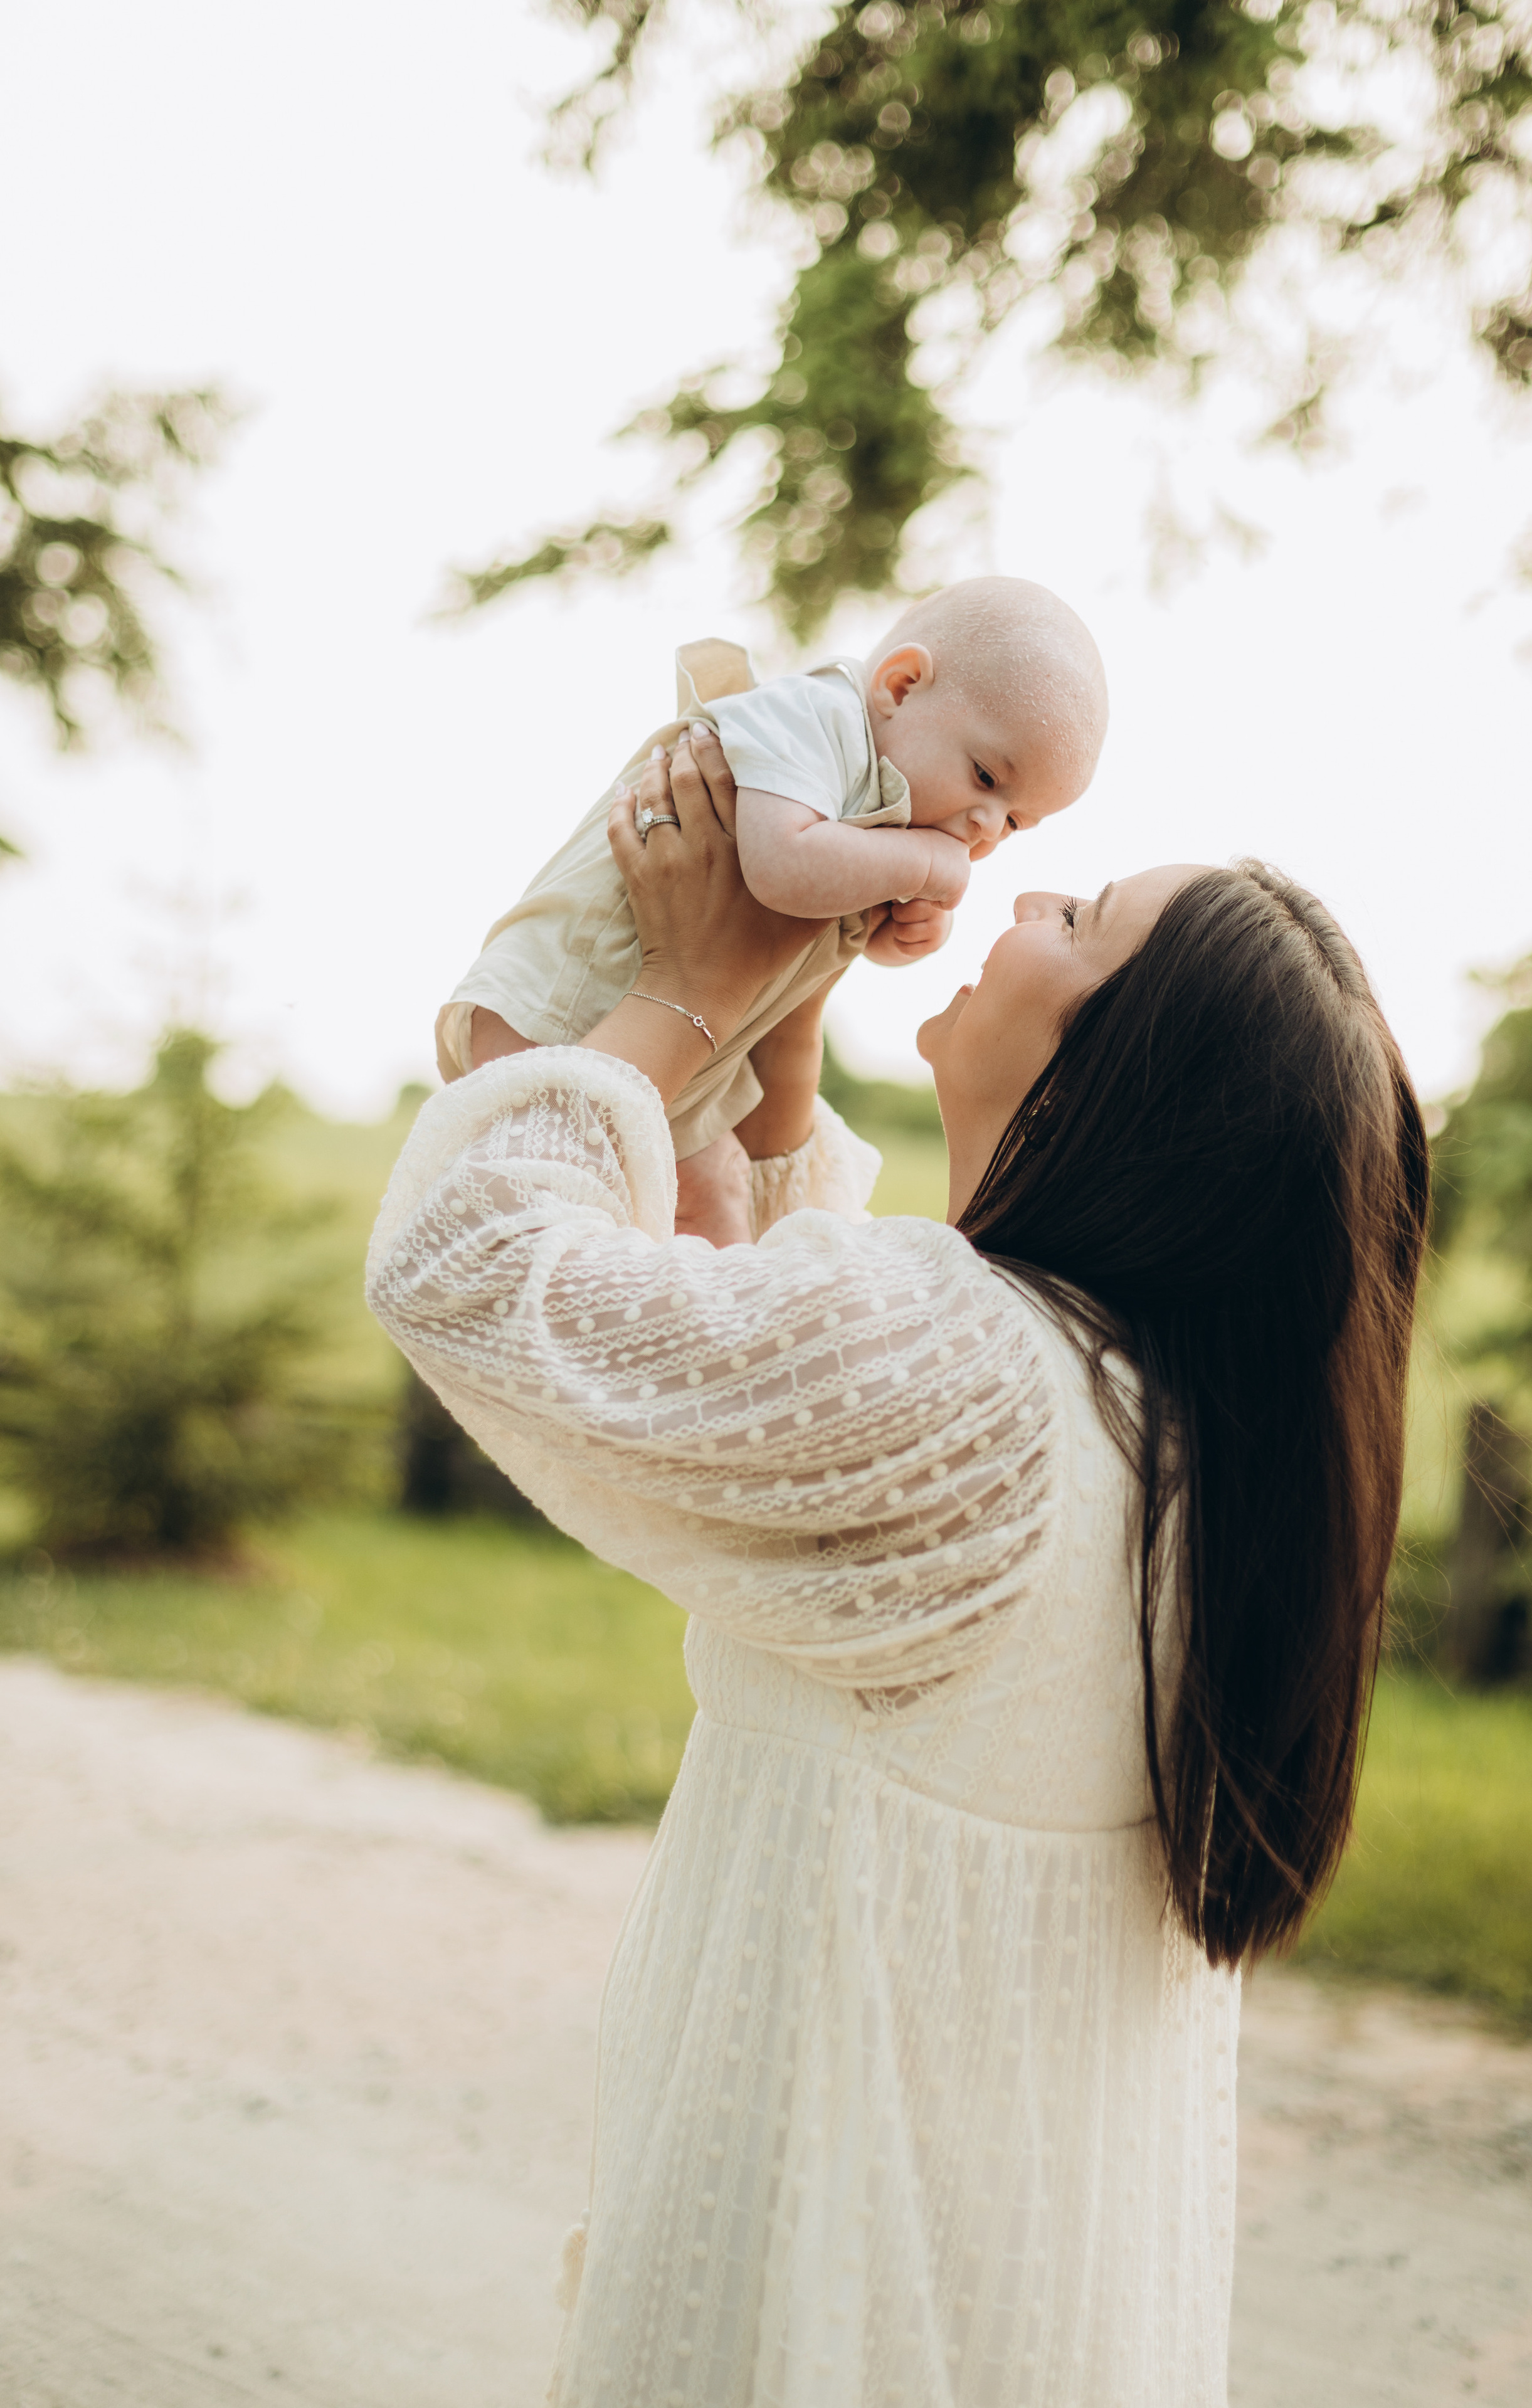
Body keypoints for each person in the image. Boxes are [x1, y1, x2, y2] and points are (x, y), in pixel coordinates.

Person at [368, 728, 1427, 2407]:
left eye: (1077, 917)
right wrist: (780, 1073)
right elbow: (793, 1367)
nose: (1017, 902)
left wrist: (688, 994)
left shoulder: (974, 1386)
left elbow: (478, 1271)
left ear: (1118, 1081)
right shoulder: (1161, 1437)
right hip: (992, 2290)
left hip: (815, 2290)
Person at [433, 578, 1108, 1245]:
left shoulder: (888, 804)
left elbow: (820, 931)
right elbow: (781, 870)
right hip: (564, 998)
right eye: (986, 779)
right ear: (900, 686)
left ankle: (719, 1339)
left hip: (686, 1062)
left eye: (1016, 822)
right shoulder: (814, 719)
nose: (985, 828)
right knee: (518, 1200)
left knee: (722, 1205)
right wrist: (926, 866)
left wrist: (901, 932)